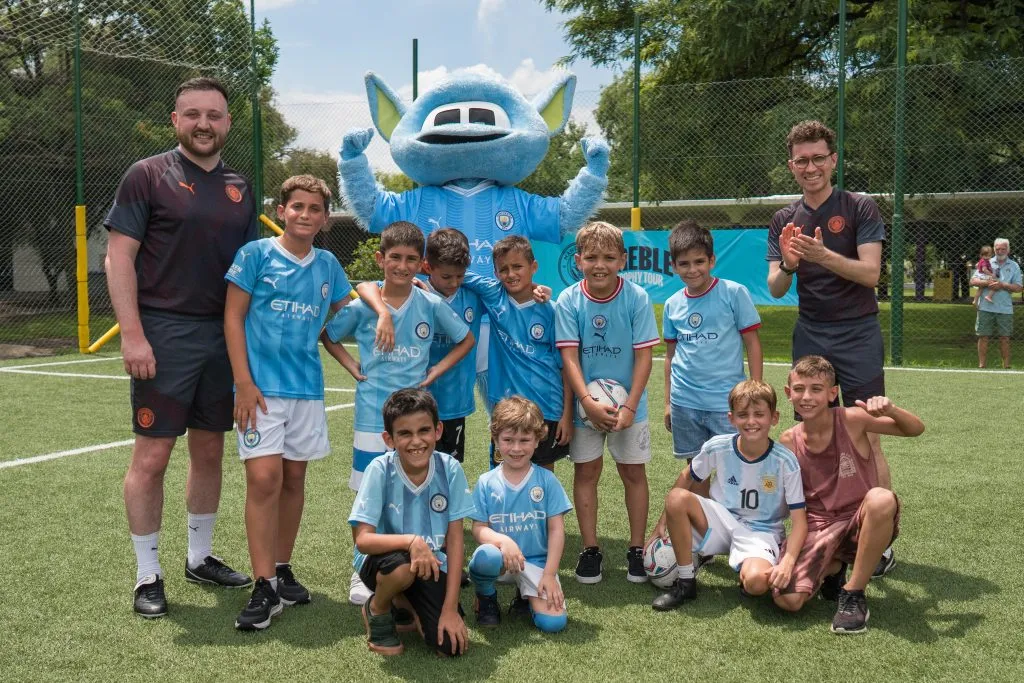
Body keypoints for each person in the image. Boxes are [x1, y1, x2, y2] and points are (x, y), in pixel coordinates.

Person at [104, 77, 255, 618]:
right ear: (175, 120)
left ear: (227, 123)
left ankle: (199, 556)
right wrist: (134, 333)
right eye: (192, 114)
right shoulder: (147, 175)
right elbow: (118, 258)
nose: (203, 125)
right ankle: (148, 573)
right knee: (152, 454)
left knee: (210, 449)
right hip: (163, 332)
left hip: (222, 335)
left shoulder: (240, 185)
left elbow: (247, 275)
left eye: (213, 115)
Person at [765, 119, 897, 575]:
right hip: (812, 332)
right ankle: (820, 527)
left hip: (858, 331)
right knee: (812, 437)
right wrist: (790, 261)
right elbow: (776, 288)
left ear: (833, 160)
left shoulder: (859, 206)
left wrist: (823, 257)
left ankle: (877, 540)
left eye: (819, 157)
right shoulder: (784, 218)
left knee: (868, 433)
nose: (811, 166)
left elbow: (871, 274)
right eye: (802, 160)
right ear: (791, 166)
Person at [222, 175, 353, 630]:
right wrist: (242, 381)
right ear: (281, 210)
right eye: (296, 206)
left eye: (314, 209)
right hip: (259, 390)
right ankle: (262, 588)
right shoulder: (255, 255)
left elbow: (346, 314)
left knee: (294, 478)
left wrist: (392, 302)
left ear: (324, 217)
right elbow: (233, 317)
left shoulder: (329, 265)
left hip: (307, 391)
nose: (305, 215)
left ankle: (280, 568)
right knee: (263, 479)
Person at [323, 221, 474, 604]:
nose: (402, 266)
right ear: (380, 259)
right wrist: (351, 366)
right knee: (366, 495)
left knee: (414, 490)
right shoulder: (364, 306)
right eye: (395, 258)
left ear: (421, 263)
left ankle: (418, 557)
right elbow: (327, 333)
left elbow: (466, 339)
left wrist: (437, 370)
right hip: (372, 416)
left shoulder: (429, 303)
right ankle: (361, 569)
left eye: (410, 259)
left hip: (414, 420)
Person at [774, 356, 924, 635]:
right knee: (788, 600)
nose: (807, 397)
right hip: (818, 525)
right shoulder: (788, 440)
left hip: (859, 522)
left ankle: (853, 592)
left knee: (881, 499)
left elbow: (915, 429)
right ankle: (833, 567)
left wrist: (890, 409)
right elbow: (791, 502)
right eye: (799, 389)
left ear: (833, 393)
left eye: (817, 389)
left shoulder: (852, 419)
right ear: (788, 393)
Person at [554, 221, 659, 585]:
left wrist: (629, 406)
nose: (600, 265)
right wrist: (587, 402)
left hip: (630, 408)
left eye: (609, 257)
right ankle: (591, 549)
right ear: (579, 259)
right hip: (587, 409)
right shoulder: (569, 300)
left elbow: (643, 358)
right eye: (592, 257)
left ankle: (635, 549)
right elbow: (569, 357)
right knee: (587, 473)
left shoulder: (637, 298)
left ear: (622, 260)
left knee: (633, 473)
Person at [649, 380, 806, 611]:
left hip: (761, 532)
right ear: (731, 419)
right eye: (743, 415)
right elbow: (686, 477)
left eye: (759, 414)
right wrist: (660, 524)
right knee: (676, 497)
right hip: (720, 521)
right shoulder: (718, 447)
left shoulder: (785, 462)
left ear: (774, 418)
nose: (751, 421)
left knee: (756, 584)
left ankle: (748, 570)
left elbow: (800, 522)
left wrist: (789, 562)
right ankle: (686, 583)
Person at [349, 388, 474, 657]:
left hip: (430, 563)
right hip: (384, 562)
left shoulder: (450, 469)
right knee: (402, 568)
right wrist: (412, 541)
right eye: (404, 433)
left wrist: (450, 608)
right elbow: (362, 540)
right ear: (389, 438)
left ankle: (404, 602)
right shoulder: (379, 470)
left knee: (450, 647)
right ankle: (378, 608)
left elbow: (454, 540)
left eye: (424, 431)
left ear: (438, 431)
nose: (416, 441)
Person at [662, 220, 763, 497]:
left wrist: (755, 389)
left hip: (725, 401)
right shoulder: (672, 304)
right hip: (686, 402)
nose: (692, 269)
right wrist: (669, 402)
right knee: (697, 470)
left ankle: (740, 527)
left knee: (738, 466)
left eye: (699, 261)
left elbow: (752, 342)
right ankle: (704, 529)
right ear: (673, 265)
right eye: (684, 263)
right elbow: (671, 356)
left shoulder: (733, 293)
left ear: (712, 260)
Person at [462, 235, 573, 470]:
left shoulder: (552, 311)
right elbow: (456, 272)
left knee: (542, 475)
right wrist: (422, 275)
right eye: (503, 269)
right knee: (504, 476)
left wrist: (566, 415)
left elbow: (566, 365)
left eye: (517, 267)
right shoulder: (494, 295)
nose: (511, 274)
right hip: (506, 409)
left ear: (533, 267)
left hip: (547, 407)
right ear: (495, 273)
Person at [467, 397, 571, 632]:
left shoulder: (547, 481)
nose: (516, 448)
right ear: (496, 439)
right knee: (485, 556)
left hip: (536, 562)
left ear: (537, 441)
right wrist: (504, 541)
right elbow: (478, 528)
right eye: (508, 440)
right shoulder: (486, 482)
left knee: (553, 623)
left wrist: (550, 575)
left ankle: (526, 597)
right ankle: (486, 596)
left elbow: (556, 530)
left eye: (525, 440)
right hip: (500, 560)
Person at [971, 238, 1022, 369]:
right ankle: (981, 365)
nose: (1000, 251)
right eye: (997, 249)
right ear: (994, 249)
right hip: (985, 307)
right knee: (983, 337)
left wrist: (1002, 285)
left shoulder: (1014, 266)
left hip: (1005, 308)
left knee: (1005, 338)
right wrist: (988, 283)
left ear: (1008, 250)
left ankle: (1006, 366)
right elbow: (973, 281)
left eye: (1003, 249)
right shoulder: (986, 262)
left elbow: (1018, 287)